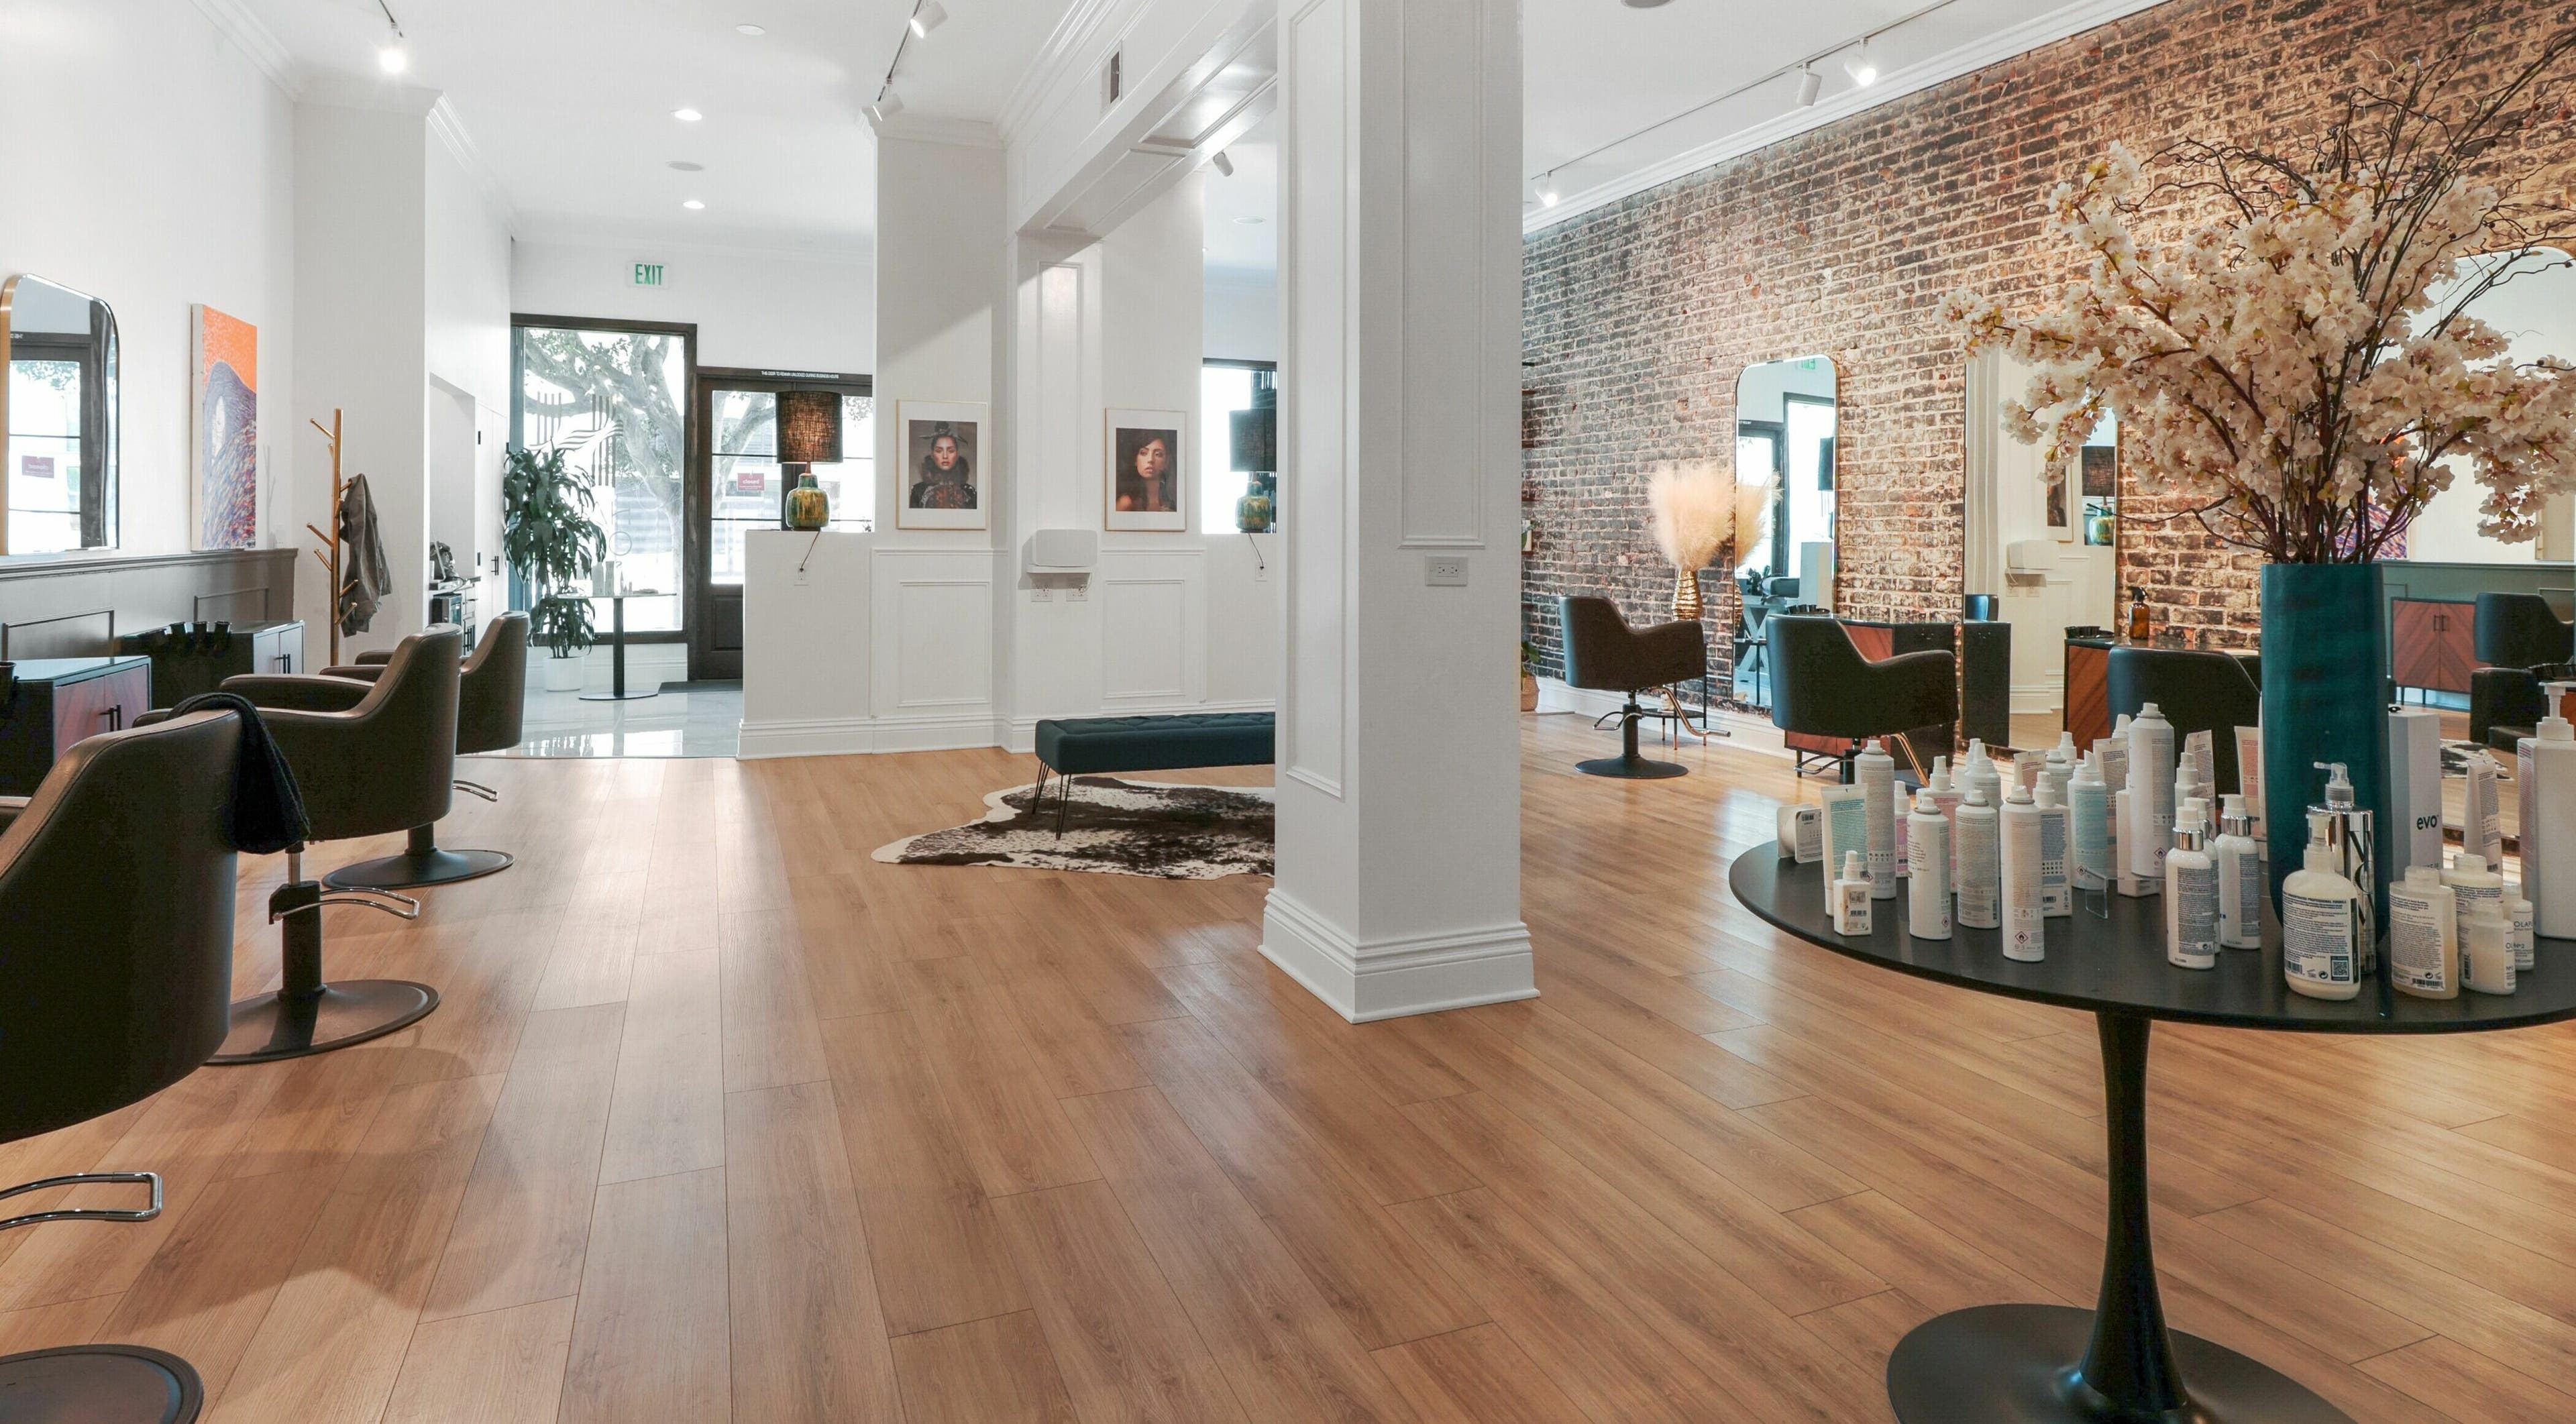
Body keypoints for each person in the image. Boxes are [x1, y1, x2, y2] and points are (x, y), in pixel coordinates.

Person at [910, 427, 975, 509]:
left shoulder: (970, 492)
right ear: (932, 455)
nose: (945, 456)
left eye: (951, 451)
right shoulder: (918, 491)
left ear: (957, 455)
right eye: (939, 451)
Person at [1116, 431, 1176, 513]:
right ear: (1136, 460)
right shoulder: (1127, 503)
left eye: (1158, 454)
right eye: (1143, 453)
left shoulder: (1172, 503)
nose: (1150, 460)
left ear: (1166, 462)